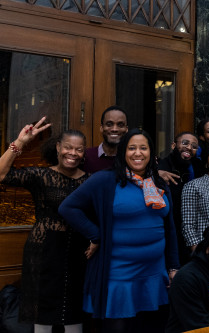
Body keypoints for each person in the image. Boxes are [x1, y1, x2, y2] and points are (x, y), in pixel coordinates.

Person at [59, 129, 179, 332]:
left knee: (150, 327)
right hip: (120, 273)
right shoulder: (105, 180)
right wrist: (96, 235)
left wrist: (174, 267)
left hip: (153, 271)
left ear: (151, 152)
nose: (138, 153)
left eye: (143, 148)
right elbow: (68, 208)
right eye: (132, 148)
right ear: (123, 151)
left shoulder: (158, 183)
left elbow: (170, 229)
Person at [0, 117, 89, 333]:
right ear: (58, 147)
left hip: (78, 254)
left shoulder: (91, 181)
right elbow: (1, 174)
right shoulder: (41, 175)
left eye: (79, 149)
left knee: (73, 313)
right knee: (42, 315)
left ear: (84, 153)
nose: (73, 153)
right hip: (42, 253)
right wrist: (20, 142)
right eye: (68, 147)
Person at [158, 132, 204, 265]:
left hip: (190, 232)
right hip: (168, 230)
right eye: (185, 143)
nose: (189, 147)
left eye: (194, 146)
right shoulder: (161, 167)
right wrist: (156, 173)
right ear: (173, 145)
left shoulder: (198, 168)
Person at [82, 105, 128, 173]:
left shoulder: (131, 158)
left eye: (120, 125)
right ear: (101, 128)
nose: (114, 129)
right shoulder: (86, 156)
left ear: (126, 129)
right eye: (109, 124)